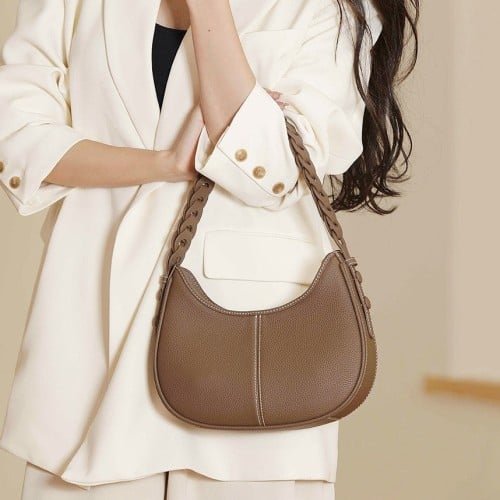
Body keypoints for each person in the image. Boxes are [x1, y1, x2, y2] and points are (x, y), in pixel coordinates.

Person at [0, 0, 419, 498]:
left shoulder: (329, 10)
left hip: (244, 371)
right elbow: (17, 136)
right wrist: (162, 163)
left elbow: (272, 169)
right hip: (87, 353)